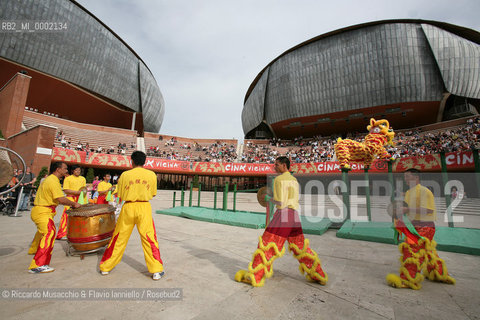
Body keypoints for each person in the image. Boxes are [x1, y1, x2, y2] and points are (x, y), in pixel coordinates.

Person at [235, 156, 328, 287]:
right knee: (300, 247)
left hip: (283, 215)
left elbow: (281, 202)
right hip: (294, 216)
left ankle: (255, 276)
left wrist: (267, 197)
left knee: (266, 244)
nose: (275, 167)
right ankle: (318, 274)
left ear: (284, 166)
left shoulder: (279, 179)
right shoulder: (294, 180)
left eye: (277, 164)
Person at [99, 151, 164, 280]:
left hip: (128, 207)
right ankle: (156, 270)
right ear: (144, 161)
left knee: (119, 238)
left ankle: (106, 267)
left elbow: (121, 195)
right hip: (144, 207)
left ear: (132, 161)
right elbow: (153, 194)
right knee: (149, 238)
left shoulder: (125, 175)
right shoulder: (151, 175)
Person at [386, 168, 456, 289]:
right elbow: (408, 210)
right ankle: (440, 274)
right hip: (414, 226)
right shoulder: (408, 192)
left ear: (416, 177)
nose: (405, 179)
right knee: (428, 251)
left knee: (412, 250)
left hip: (425, 227)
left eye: (408, 176)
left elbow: (428, 210)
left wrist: (407, 210)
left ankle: (408, 280)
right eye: (405, 177)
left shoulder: (424, 191)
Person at [27, 162, 81, 273]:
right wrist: (74, 204)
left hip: (42, 210)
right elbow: (60, 199)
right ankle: (37, 265)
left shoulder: (51, 179)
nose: (66, 171)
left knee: (42, 232)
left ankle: (34, 249)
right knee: (49, 232)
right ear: (58, 169)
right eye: (65, 168)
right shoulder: (52, 181)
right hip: (43, 211)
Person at [55, 165, 86, 240]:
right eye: (76, 170)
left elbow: (83, 189)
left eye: (79, 170)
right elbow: (66, 190)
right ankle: (62, 234)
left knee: (80, 216)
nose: (78, 172)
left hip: (80, 199)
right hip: (70, 198)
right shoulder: (68, 179)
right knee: (66, 216)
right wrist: (77, 192)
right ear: (72, 171)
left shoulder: (83, 179)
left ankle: (77, 233)